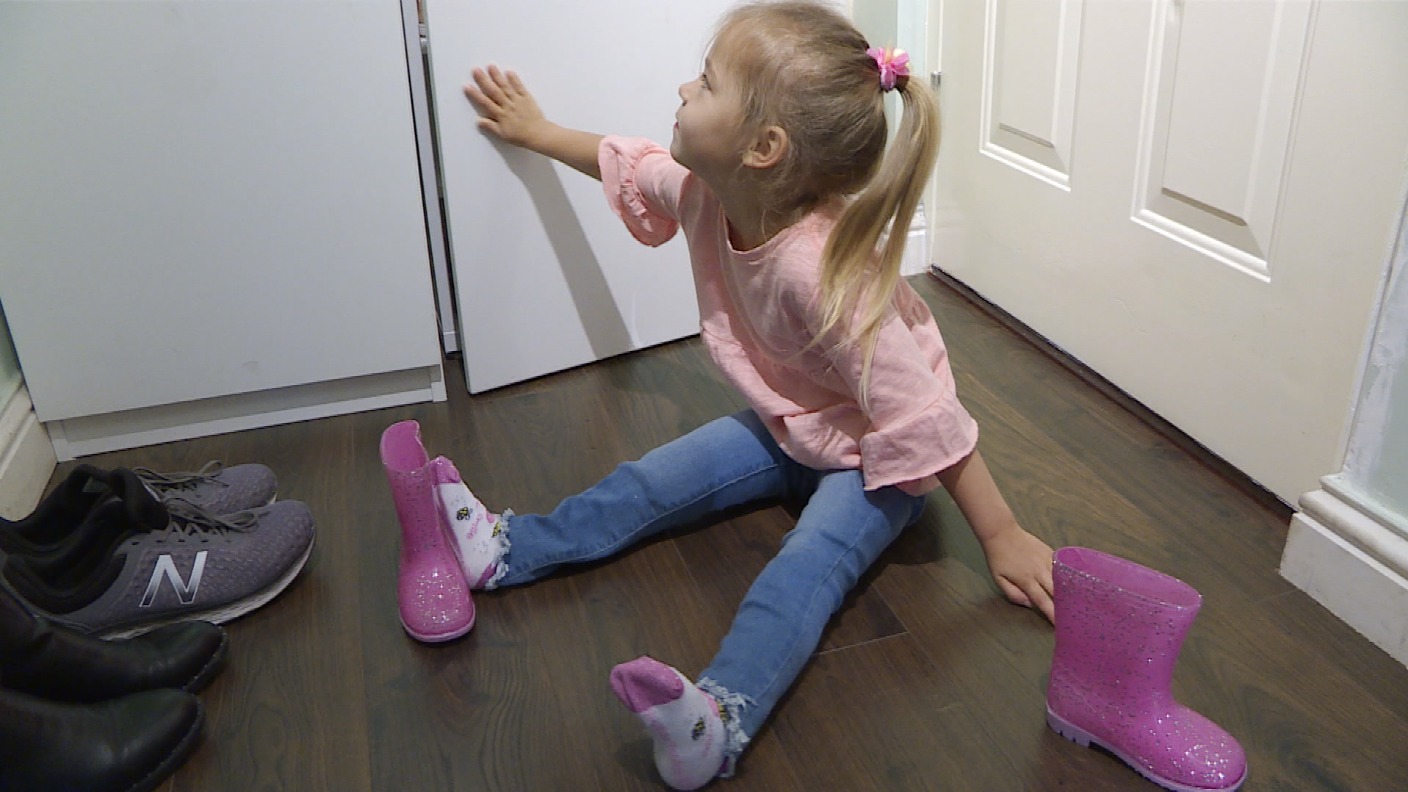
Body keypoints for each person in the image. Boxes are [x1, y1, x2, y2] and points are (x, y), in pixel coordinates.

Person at [456, 1, 1055, 788]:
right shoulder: (707, 192)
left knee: (803, 567)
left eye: (705, 83)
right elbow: (628, 162)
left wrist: (1003, 535)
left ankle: (721, 717)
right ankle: (509, 548)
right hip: (793, 421)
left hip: (874, 461)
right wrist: (538, 132)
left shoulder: (824, 275)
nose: (683, 89)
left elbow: (922, 414)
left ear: (764, 148)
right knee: (650, 481)